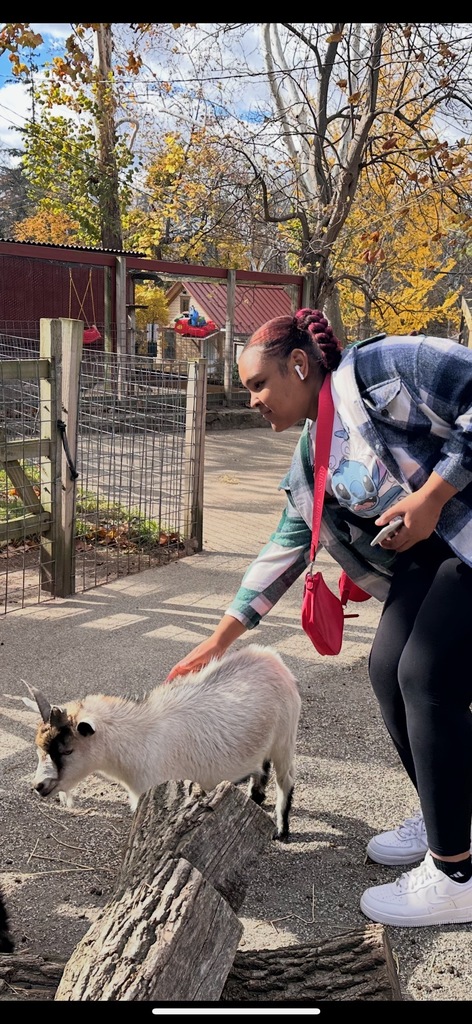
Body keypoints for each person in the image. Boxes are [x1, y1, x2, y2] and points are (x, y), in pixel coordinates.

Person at [167, 307, 472, 928]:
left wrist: (435, 492)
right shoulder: (313, 456)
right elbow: (283, 546)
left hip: (463, 535)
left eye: (257, 384)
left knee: (424, 673)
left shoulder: (384, 369)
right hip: (431, 557)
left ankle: (456, 871)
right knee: (387, 669)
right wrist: (218, 641)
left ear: (300, 366)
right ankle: (451, 814)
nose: (250, 400)